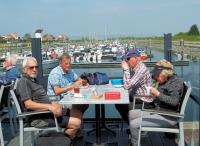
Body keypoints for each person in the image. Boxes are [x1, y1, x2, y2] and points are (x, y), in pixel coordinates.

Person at [16, 57, 81, 139]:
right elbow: (28, 104)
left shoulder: (34, 81)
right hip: (39, 117)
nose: (34, 69)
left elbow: (44, 98)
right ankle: (64, 142)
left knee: (77, 111)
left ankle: (69, 138)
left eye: (36, 67)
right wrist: (49, 106)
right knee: (76, 123)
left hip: (48, 112)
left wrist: (54, 104)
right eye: (31, 67)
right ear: (24, 69)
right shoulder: (24, 82)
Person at [129, 59, 184, 146]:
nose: (155, 78)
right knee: (131, 113)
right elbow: (162, 95)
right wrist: (152, 95)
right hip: (158, 110)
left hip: (168, 116)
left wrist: (157, 94)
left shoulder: (175, 82)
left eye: (157, 75)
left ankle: (134, 143)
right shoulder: (166, 80)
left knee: (133, 124)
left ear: (164, 74)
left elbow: (174, 101)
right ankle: (136, 138)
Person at [47, 53, 89, 128]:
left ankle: (75, 126)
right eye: (66, 63)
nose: (68, 65)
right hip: (57, 101)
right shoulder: (55, 73)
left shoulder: (70, 71)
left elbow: (79, 80)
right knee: (77, 105)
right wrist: (72, 86)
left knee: (85, 104)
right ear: (60, 64)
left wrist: (84, 83)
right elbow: (57, 91)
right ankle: (74, 127)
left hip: (68, 97)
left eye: (69, 63)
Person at [115, 49, 152, 123]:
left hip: (143, 101)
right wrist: (128, 69)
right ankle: (132, 124)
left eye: (128, 59)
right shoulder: (136, 67)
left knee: (120, 104)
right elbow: (129, 82)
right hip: (137, 96)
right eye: (126, 59)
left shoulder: (141, 70)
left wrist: (126, 70)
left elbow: (127, 86)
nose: (127, 61)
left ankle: (133, 125)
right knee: (118, 100)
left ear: (136, 58)